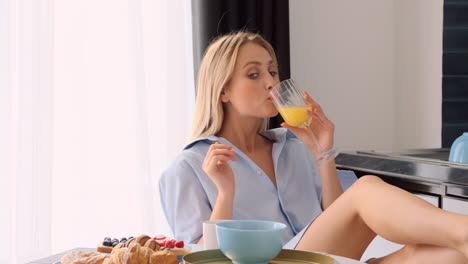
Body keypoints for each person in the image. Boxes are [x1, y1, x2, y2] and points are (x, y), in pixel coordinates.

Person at [159, 31, 468, 263]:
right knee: (367, 188)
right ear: (222, 90)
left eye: (272, 72)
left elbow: (340, 220)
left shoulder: (291, 146)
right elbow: (198, 257)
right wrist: (225, 193)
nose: (270, 82)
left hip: (324, 259)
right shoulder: (190, 166)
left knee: (449, 254)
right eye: (254, 74)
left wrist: (323, 152)